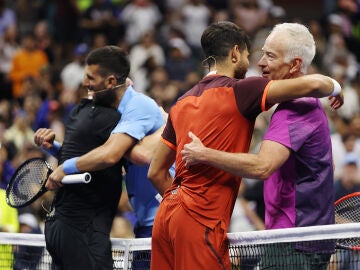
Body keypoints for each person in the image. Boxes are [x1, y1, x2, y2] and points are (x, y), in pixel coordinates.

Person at [147, 21, 343, 270]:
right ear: (235, 53)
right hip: (205, 220)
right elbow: (315, 85)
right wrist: (336, 87)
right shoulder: (244, 90)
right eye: (255, 55)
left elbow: (154, 172)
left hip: (168, 214)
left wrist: (182, 202)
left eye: (269, 55)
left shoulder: (182, 103)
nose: (258, 63)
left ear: (294, 64)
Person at [34, 45, 165, 269]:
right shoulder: (111, 113)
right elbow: (100, 155)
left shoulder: (138, 106)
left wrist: (66, 167)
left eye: (90, 77)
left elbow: (112, 154)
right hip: (146, 223)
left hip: (163, 219)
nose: (84, 82)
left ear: (111, 82)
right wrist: (55, 148)